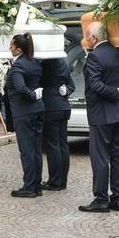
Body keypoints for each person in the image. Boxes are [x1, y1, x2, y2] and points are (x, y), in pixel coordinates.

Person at [79, 23, 119, 212]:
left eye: (86, 37)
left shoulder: (94, 56)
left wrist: (115, 93)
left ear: (94, 38)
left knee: (100, 158)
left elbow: (95, 85)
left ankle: (100, 199)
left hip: (102, 114)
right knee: (116, 155)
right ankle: (117, 197)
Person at [7, 34, 46, 198]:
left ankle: (29, 186)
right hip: (38, 110)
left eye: (11, 46)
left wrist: (32, 95)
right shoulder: (34, 62)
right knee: (36, 149)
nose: (9, 48)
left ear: (18, 48)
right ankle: (36, 184)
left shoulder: (18, 67)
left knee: (27, 150)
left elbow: (21, 88)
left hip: (24, 111)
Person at [41, 55, 73, 191]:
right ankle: (62, 181)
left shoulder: (45, 63)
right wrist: (66, 91)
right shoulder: (62, 62)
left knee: (53, 145)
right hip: (64, 106)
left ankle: (55, 181)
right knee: (63, 145)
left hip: (51, 107)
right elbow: (71, 85)